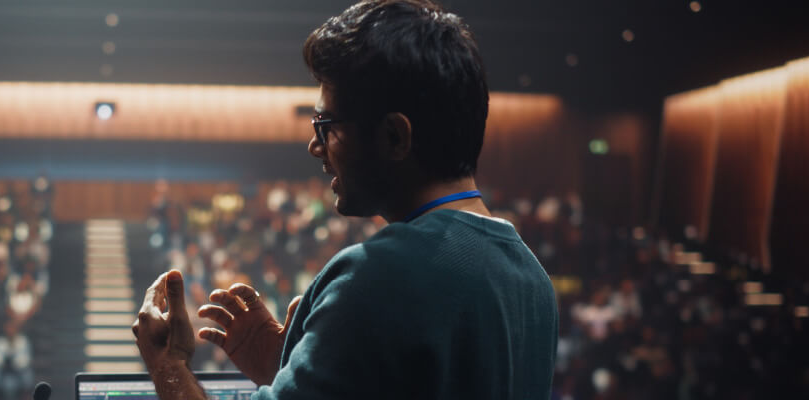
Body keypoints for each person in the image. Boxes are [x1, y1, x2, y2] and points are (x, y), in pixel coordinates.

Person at [131, 1, 558, 398]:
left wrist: (167, 363)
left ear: (394, 136)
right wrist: (289, 374)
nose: (315, 147)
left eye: (326, 125)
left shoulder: (377, 276)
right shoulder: (532, 279)